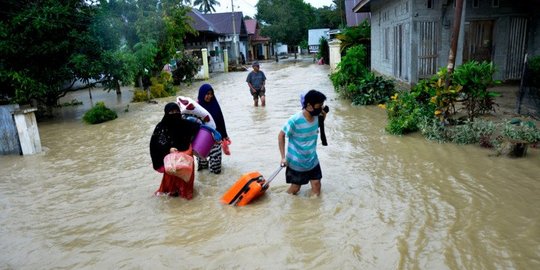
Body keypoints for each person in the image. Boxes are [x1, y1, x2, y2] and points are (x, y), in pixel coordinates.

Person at [278, 90, 327, 197]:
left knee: (316, 184)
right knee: (295, 188)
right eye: (319, 106)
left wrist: (323, 115)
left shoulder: (317, 117)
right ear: (309, 106)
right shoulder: (295, 120)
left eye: (322, 106)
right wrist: (283, 157)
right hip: (297, 161)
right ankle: (282, 198)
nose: (321, 109)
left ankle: (314, 211)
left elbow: (318, 125)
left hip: (312, 159)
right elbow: (281, 135)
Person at [150, 102, 200, 199]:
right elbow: (156, 143)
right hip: (172, 159)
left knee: (186, 183)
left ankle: (186, 200)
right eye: (171, 112)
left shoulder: (185, 124)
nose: (175, 114)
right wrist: (168, 148)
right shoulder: (161, 127)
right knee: (171, 189)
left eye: (177, 111)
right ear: (166, 113)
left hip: (186, 157)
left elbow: (199, 128)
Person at [196, 84, 229, 174]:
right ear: (202, 94)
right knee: (203, 169)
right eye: (207, 94)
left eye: (211, 94)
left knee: (216, 170)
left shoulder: (215, 105)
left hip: (215, 140)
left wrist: (225, 135)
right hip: (200, 140)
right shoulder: (196, 107)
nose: (209, 96)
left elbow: (221, 121)